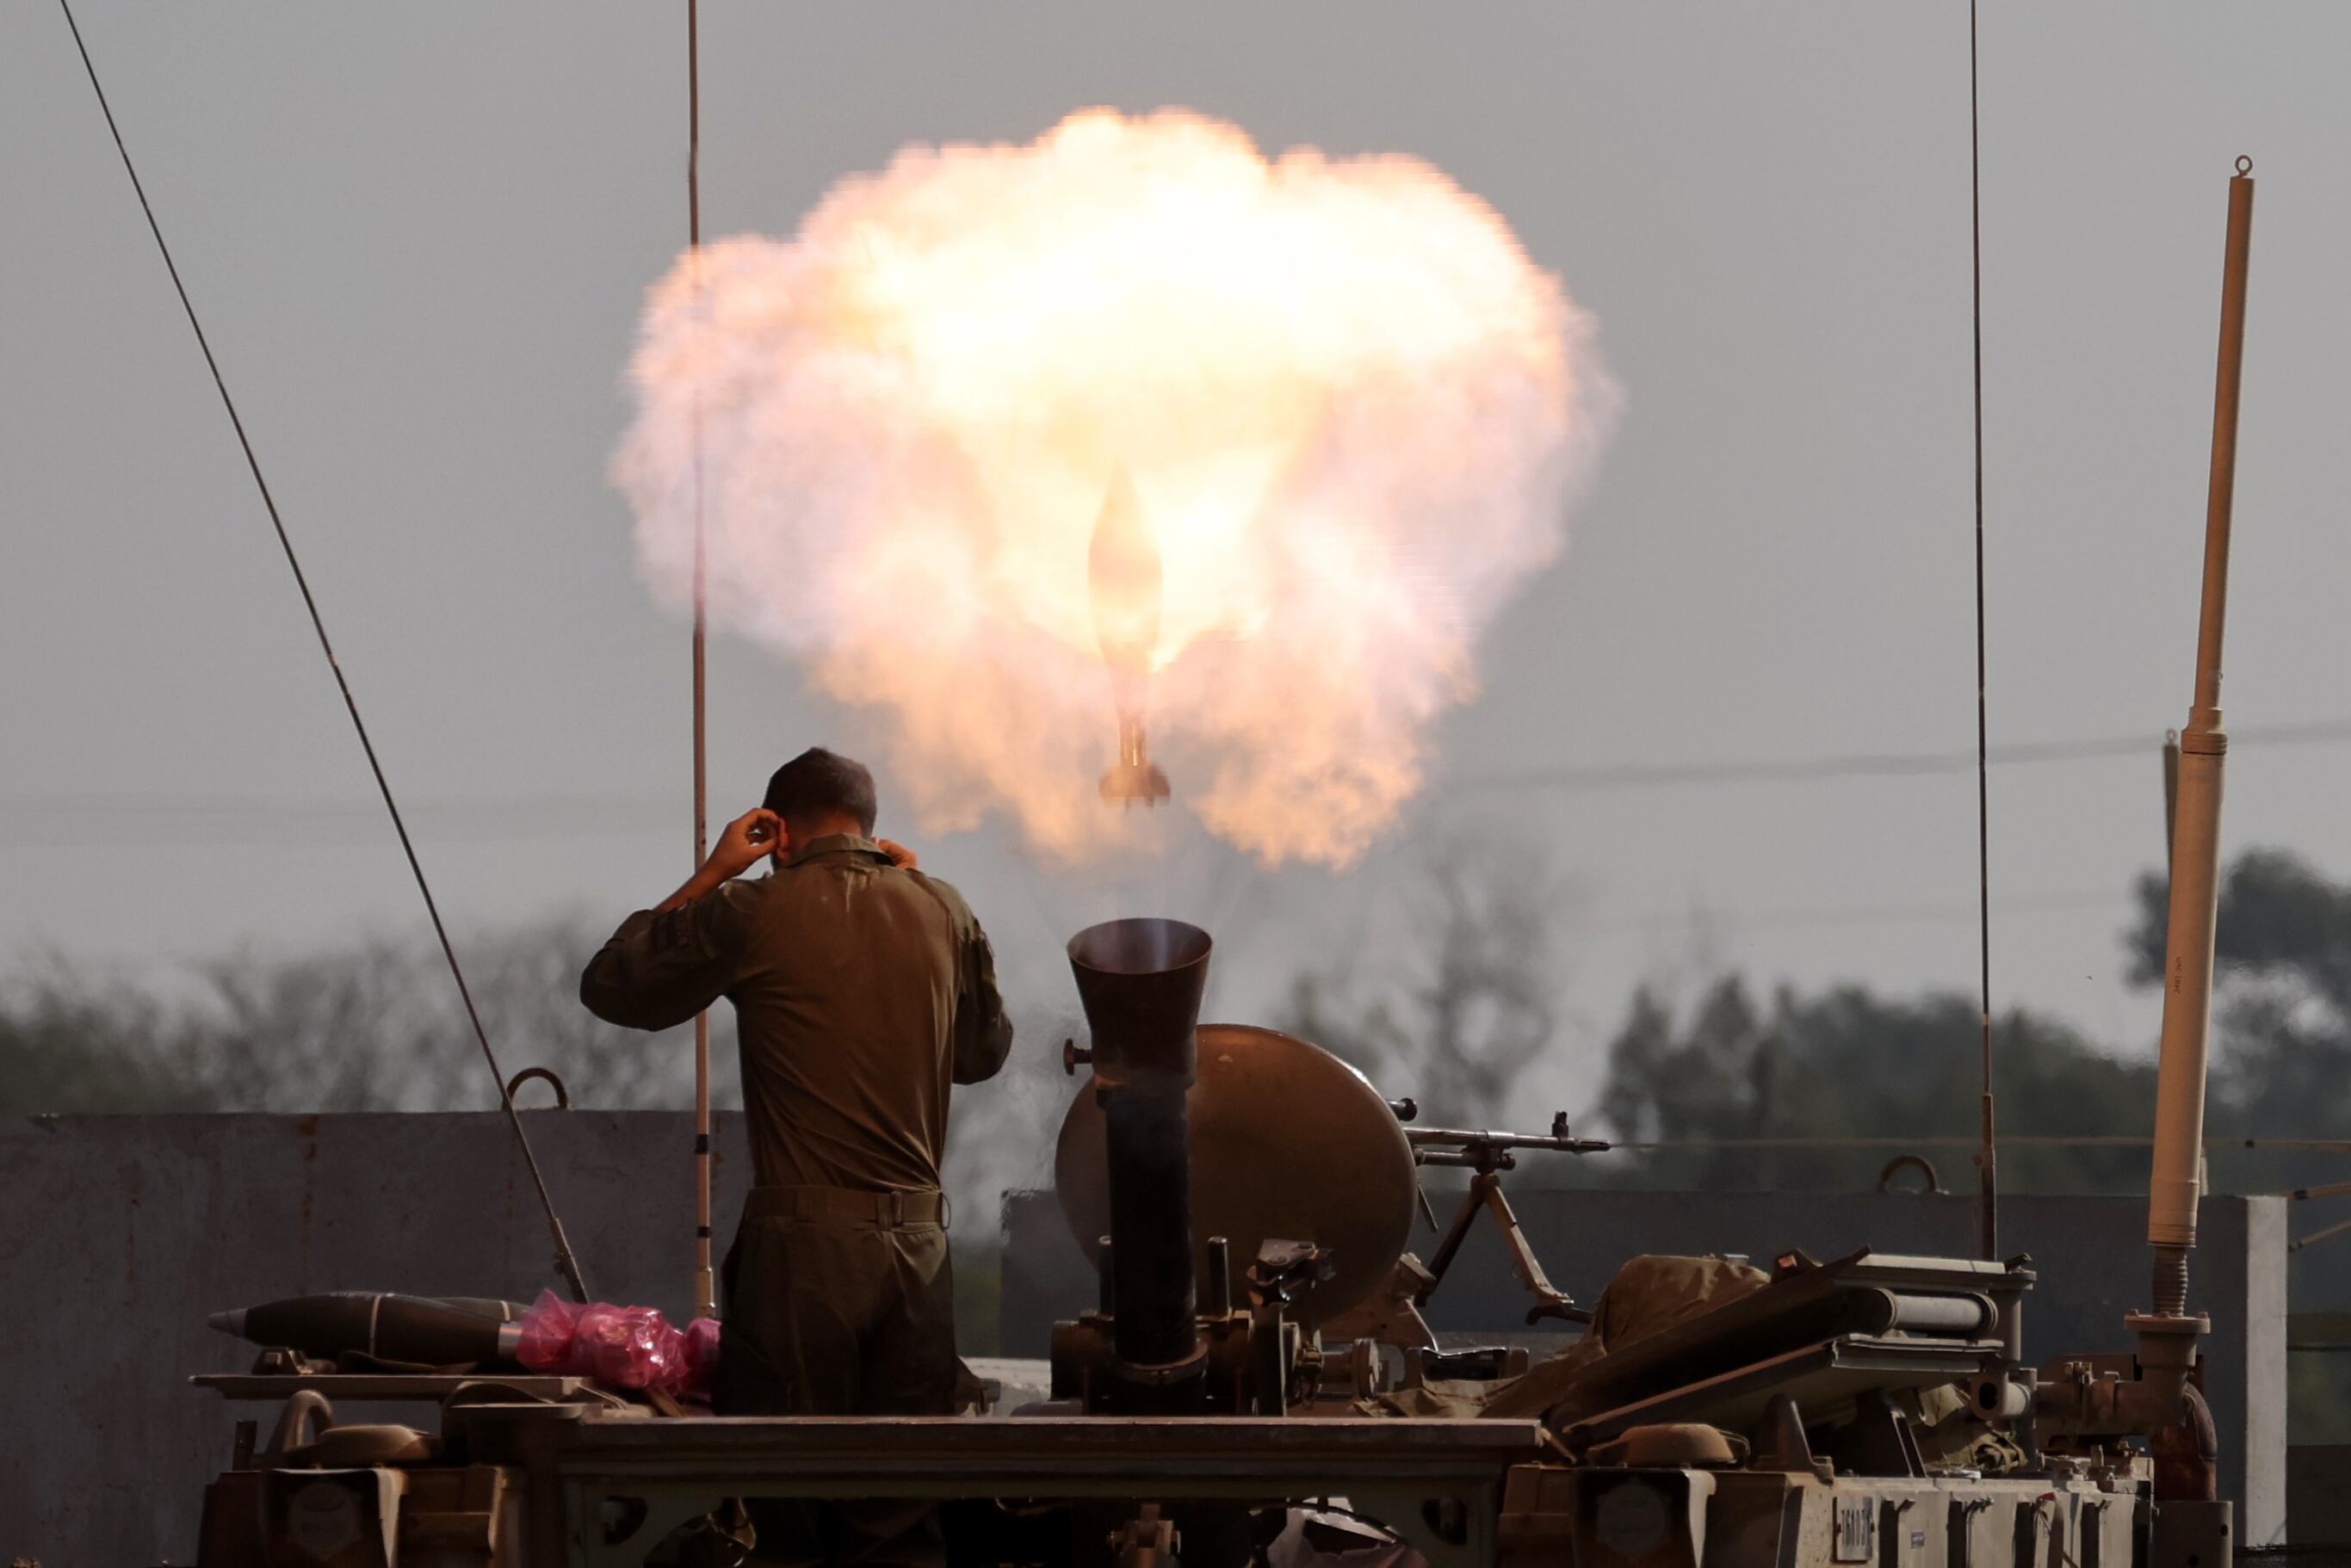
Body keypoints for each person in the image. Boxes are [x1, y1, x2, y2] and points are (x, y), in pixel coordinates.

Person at [579, 746, 1013, 1565]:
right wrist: (920, 894)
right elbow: (981, 1054)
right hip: (919, 1256)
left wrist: (712, 874)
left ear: (777, 831)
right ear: (871, 828)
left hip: (805, 1257)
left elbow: (613, 985)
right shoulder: (943, 907)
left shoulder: (753, 911)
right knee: (901, 1514)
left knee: (788, 1505)